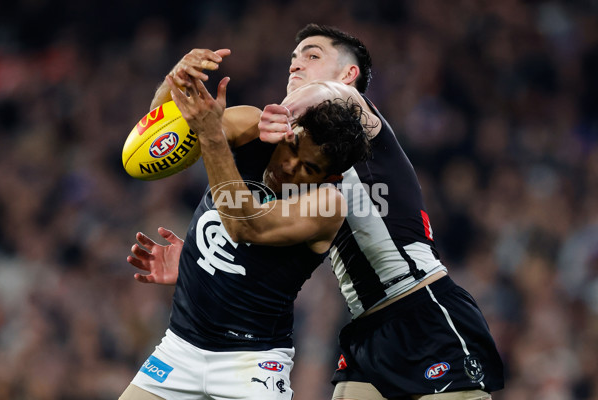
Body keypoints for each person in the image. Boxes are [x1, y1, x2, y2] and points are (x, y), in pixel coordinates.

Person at [129, 24, 504, 399]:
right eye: (293, 58)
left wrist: (284, 113)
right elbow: (167, 139)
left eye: (312, 56)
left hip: (421, 306)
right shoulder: (271, 131)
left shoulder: (360, 119)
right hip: (366, 324)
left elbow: (329, 95)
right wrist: (207, 258)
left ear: (349, 74)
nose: (296, 65)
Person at [119, 66, 372, 399]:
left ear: (330, 179)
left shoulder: (327, 204)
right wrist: (173, 84)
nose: (289, 166)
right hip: (180, 349)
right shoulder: (253, 127)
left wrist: (211, 135)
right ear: (289, 128)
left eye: (309, 168)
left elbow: (245, 224)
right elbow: (165, 142)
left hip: (251, 364)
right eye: (293, 148)